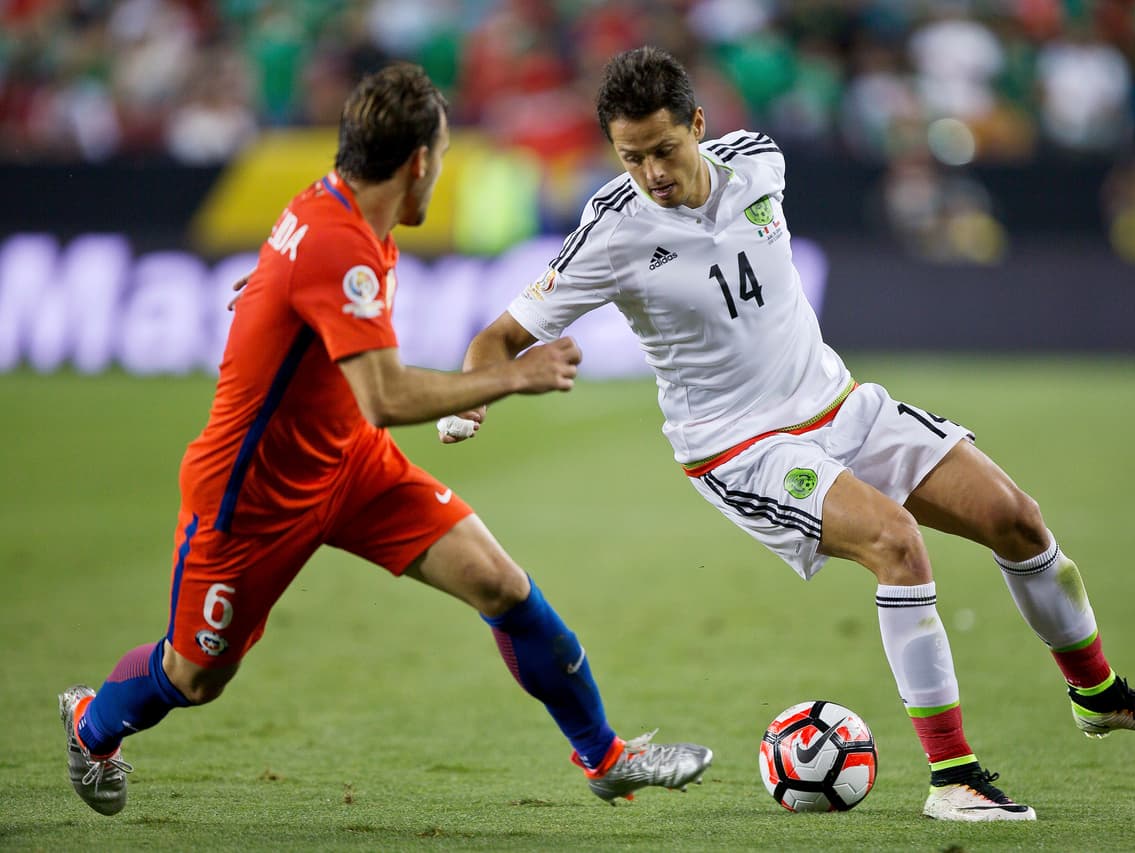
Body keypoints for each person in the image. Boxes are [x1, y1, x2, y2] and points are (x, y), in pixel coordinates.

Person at [455, 46, 1135, 822]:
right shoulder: (611, 231)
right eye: (631, 158)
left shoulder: (760, 162)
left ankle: (1099, 693)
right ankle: (954, 777)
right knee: (897, 544)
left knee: (1016, 519)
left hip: (842, 404)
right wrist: (474, 395)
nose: (651, 172)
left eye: (664, 150)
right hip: (739, 446)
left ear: (698, 124)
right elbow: (497, 337)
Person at [57, 62, 712, 818]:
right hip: (252, 494)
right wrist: (511, 378)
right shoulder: (341, 243)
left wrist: (275, 289)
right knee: (194, 677)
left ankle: (605, 755)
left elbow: (299, 284)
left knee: (500, 583)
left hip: (348, 463)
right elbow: (388, 396)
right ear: (421, 162)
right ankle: (91, 726)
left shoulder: (353, 213)